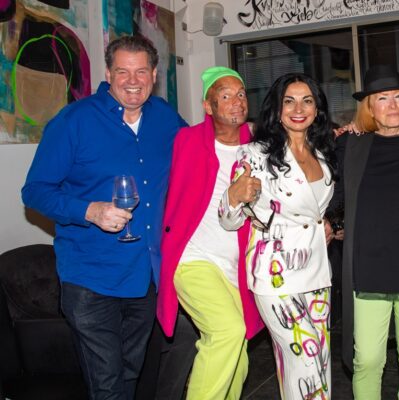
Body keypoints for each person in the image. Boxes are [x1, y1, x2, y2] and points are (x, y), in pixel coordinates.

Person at [21, 35, 187, 399]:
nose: (133, 81)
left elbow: (201, 154)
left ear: (154, 75)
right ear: (108, 74)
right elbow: (35, 191)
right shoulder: (74, 121)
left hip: (146, 277)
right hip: (91, 279)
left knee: (129, 375)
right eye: (123, 71)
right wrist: (89, 210)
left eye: (141, 71)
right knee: (108, 384)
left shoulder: (166, 118)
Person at [328, 65, 399, 400]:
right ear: (369, 106)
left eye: (398, 97)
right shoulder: (350, 145)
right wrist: (332, 223)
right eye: (382, 98)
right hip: (368, 267)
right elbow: (333, 195)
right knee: (367, 358)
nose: (392, 105)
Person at [219, 72, 337, 400]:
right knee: (305, 360)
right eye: (289, 101)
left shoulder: (323, 151)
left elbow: (315, 208)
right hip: (277, 275)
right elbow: (229, 221)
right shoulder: (253, 154)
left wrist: (328, 222)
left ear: (317, 108)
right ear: (277, 108)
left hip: (317, 271)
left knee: (318, 362)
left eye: (307, 101)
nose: (298, 109)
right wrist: (233, 197)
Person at [156, 66, 264, 399]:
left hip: (235, 268)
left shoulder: (258, 148)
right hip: (193, 259)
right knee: (227, 331)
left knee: (238, 358)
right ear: (208, 105)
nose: (236, 102)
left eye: (241, 94)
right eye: (225, 95)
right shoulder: (187, 141)